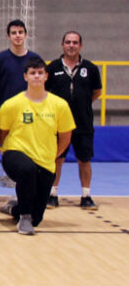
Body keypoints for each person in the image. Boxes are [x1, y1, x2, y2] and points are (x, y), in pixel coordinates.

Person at [0, 57, 75, 235]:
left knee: (37, 218)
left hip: (45, 161)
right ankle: (23, 219)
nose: (36, 77)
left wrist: (54, 155)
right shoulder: (12, 104)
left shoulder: (59, 105)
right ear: (25, 76)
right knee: (27, 170)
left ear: (46, 76)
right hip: (15, 154)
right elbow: (3, 135)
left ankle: (14, 209)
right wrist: (10, 149)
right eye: (32, 73)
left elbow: (65, 136)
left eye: (40, 73)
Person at [0, 20, 42, 201]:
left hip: (27, 115)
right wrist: (1, 103)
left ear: (25, 34)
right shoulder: (0, 59)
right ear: (8, 36)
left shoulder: (34, 60)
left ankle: (26, 195)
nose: (17, 35)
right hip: (2, 114)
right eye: (14, 32)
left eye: (20, 32)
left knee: (27, 154)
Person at [45, 31, 101, 209]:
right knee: (57, 159)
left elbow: (96, 92)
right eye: (68, 42)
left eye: (75, 42)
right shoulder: (52, 68)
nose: (71, 45)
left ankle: (86, 196)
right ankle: (52, 194)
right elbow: (44, 93)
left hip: (83, 123)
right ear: (62, 45)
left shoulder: (90, 68)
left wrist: (81, 104)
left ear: (80, 46)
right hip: (58, 124)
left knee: (84, 160)